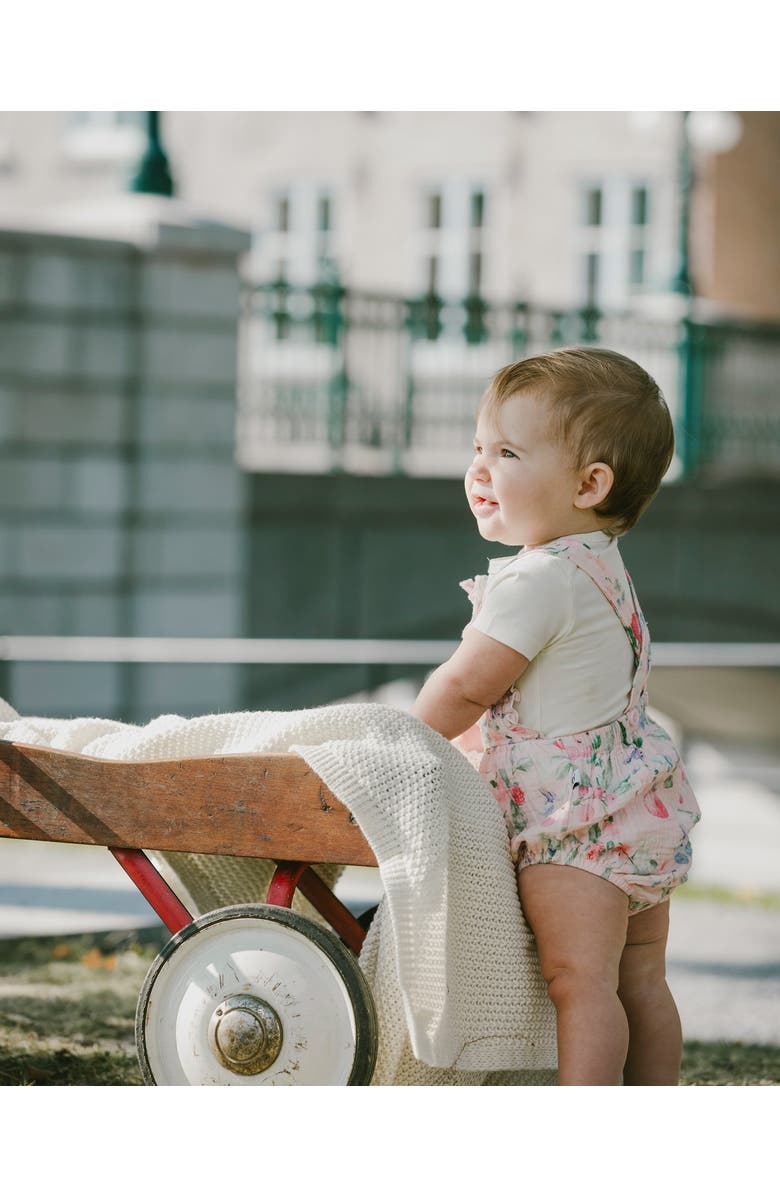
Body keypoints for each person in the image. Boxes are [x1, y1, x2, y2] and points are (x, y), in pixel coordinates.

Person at [410, 347, 701, 1086]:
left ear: (589, 482)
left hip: (573, 823)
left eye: (506, 452)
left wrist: (403, 737)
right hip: (637, 806)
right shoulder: (599, 565)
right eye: (477, 448)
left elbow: (468, 687)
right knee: (640, 981)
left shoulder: (540, 578)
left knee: (578, 983)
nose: (479, 470)